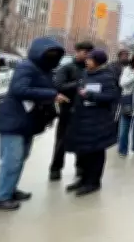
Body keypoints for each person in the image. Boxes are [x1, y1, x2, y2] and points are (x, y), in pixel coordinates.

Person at [0, 37, 67, 211]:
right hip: (14, 121)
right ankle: (1, 198)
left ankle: (10, 189)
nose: (52, 57)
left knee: (20, 159)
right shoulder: (26, 67)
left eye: (55, 54)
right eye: (49, 53)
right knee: (12, 161)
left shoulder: (45, 70)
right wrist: (51, 95)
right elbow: (19, 89)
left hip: (28, 122)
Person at [64, 49, 120, 196]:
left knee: (95, 152)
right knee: (83, 151)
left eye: (90, 59)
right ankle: (83, 179)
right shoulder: (84, 74)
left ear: (98, 62)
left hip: (98, 120)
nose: (87, 61)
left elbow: (111, 96)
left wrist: (90, 95)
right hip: (82, 119)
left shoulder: (107, 77)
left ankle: (93, 182)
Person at [49, 41, 93, 182]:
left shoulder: (90, 69)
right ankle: (55, 168)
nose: (87, 56)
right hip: (67, 109)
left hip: (84, 110)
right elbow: (58, 86)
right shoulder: (67, 68)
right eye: (85, 52)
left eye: (89, 53)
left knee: (82, 140)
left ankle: (80, 166)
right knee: (62, 140)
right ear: (77, 51)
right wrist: (78, 84)